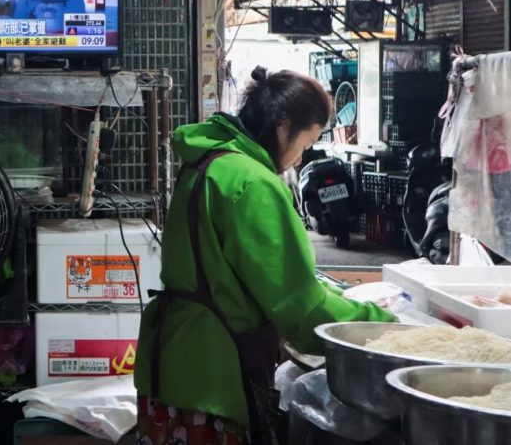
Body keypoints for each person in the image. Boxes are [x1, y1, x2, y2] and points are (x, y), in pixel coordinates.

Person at [134, 67, 395, 445]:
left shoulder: (207, 162)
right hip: (211, 380)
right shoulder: (253, 183)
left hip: (171, 364)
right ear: (282, 125)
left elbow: (239, 273)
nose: (298, 157)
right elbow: (301, 310)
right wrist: (382, 328)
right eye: (305, 144)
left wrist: (335, 295)